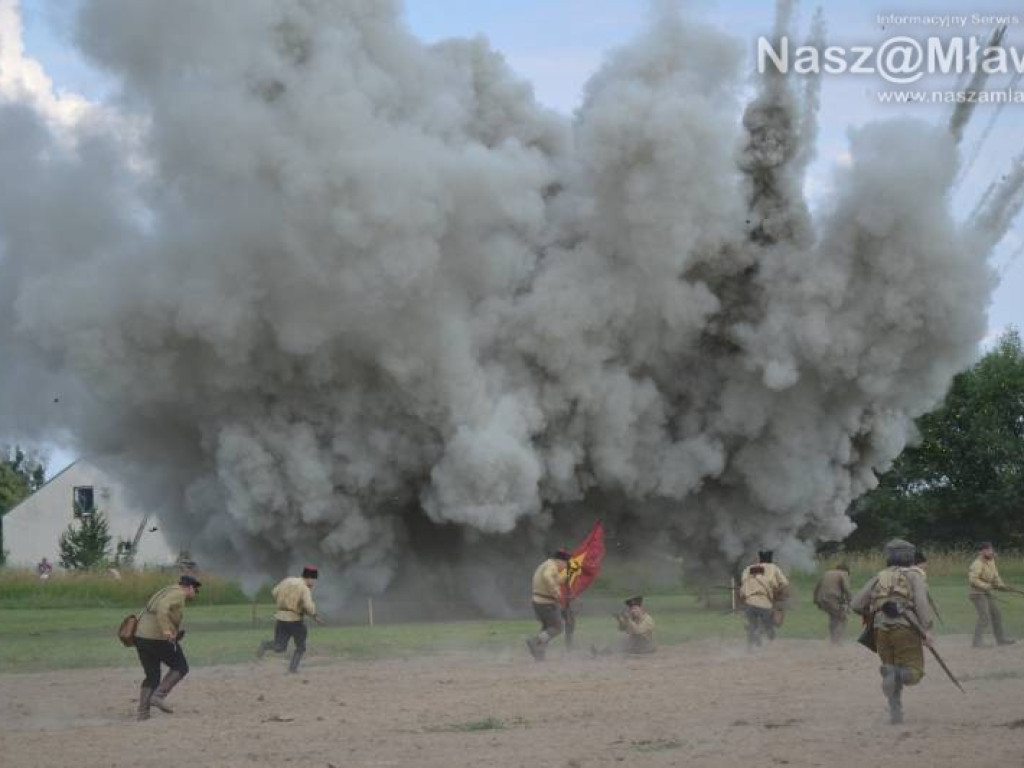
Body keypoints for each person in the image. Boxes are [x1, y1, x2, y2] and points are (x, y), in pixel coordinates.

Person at [850, 539, 933, 725]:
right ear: (910, 557)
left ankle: (896, 713)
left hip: (880, 629)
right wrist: (926, 629)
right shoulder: (914, 576)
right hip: (906, 628)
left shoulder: (879, 576)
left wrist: (876, 610)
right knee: (914, 673)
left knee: (890, 672)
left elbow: (856, 605)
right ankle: (896, 676)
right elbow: (921, 603)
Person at [134, 574, 201, 721]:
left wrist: (174, 631)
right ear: (189, 587)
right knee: (181, 666)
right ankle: (158, 696)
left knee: (152, 676)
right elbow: (163, 608)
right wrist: (166, 630)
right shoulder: (179, 593)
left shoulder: (167, 590)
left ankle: (143, 713)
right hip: (157, 638)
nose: (194, 595)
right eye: (195, 591)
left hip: (141, 637)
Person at [257, 566, 324, 673]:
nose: (314, 582)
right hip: (295, 620)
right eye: (314, 579)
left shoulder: (287, 580)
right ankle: (293, 669)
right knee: (301, 647)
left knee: (280, 647)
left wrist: (283, 602)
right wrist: (315, 615)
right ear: (310, 578)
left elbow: (274, 592)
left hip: (281, 618)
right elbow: (308, 606)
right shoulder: (304, 588)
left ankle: (265, 645)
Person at [968, 542, 1016, 647]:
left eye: (991, 550)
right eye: (988, 550)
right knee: (984, 617)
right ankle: (977, 642)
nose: (991, 552)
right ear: (981, 552)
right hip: (976, 594)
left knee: (996, 614)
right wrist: (986, 586)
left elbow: (995, 576)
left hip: (987, 593)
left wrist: (1002, 585)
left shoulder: (991, 561)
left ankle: (1001, 640)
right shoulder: (977, 564)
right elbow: (973, 580)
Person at [739, 550, 789, 649]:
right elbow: (783, 584)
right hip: (765, 602)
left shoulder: (748, 569)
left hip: (749, 602)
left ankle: (751, 645)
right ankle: (765, 634)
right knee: (769, 621)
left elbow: (743, 587)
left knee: (752, 624)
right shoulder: (773, 568)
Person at [526, 549, 569, 661]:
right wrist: (556, 592)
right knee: (557, 627)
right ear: (560, 560)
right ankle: (535, 641)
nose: (565, 567)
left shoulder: (547, 564)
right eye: (565, 564)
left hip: (538, 602)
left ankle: (539, 653)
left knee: (547, 629)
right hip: (546, 603)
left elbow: (557, 579)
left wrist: (568, 574)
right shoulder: (552, 567)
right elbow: (548, 577)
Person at [813, 562, 851, 644]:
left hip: (821, 598)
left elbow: (817, 587)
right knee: (843, 618)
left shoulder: (827, 573)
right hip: (832, 598)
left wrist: (816, 600)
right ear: (846, 571)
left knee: (833, 617)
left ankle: (832, 638)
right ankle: (836, 640)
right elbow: (847, 590)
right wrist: (850, 602)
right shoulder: (843, 574)